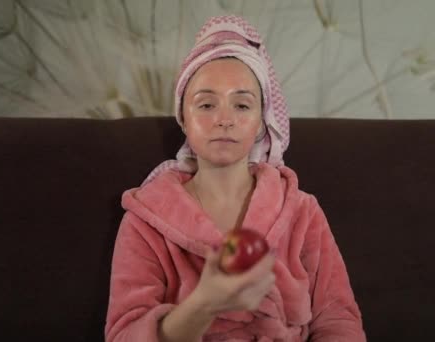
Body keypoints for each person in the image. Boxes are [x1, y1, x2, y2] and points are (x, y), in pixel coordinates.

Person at [105, 15, 365, 341]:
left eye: (242, 105)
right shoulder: (145, 221)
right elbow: (123, 335)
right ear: (183, 118)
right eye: (206, 104)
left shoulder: (302, 210)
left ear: (261, 121)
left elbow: (338, 319)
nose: (224, 119)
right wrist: (204, 304)